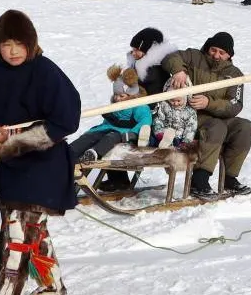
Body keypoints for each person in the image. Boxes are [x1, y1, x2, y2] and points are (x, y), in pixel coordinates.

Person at [0, 9, 81, 295]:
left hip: (45, 164)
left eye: (18, 43)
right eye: (6, 44)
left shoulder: (45, 72)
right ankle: (52, 285)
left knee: (17, 229)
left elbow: (66, 120)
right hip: (11, 168)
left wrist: (17, 138)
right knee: (33, 230)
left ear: (31, 42)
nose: (13, 51)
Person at [161, 32, 251, 199]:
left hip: (219, 116)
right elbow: (170, 57)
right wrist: (178, 71)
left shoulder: (235, 74)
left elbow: (235, 104)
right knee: (216, 127)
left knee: (245, 127)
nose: (216, 55)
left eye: (221, 52)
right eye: (213, 50)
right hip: (191, 116)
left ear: (229, 55)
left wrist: (209, 103)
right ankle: (199, 180)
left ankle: (230, 178)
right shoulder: (194, 57)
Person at [97, 27, 176, 191]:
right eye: (132, 50)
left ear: (149, 50)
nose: (133, 53)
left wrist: (132, 98)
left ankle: (118, 178)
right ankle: (118, 177)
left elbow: (151, 97)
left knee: (117, 134)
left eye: (137, 50)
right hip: (137, 110)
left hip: (150, 118)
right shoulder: (139, 66)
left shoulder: (154, 70)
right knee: (111, 129)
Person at [70, 65, 152, 163]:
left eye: (121, 95)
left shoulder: (139, 106)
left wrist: (132, 134)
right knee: (90, 136)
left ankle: (93, 154)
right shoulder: (116, 105)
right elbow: (108, 123)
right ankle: (69, 152)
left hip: (123, 134)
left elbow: (145, 121)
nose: (117, 98)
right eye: (116, 95)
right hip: (108, 129)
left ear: (132, 95)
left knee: (110, 138)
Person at [152, 76, 198, 148]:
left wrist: (186, 141)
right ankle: (147, 139)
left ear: (185, 98)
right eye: (172, 100)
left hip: (178, 136)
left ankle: (169, 144)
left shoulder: (190, 111)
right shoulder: (164, 105)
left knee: (176, 143)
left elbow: (191, 128)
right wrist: (159, 132)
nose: (175, 103)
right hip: (163, 134)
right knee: (154, 137)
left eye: (178, 101)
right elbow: (159, 119)